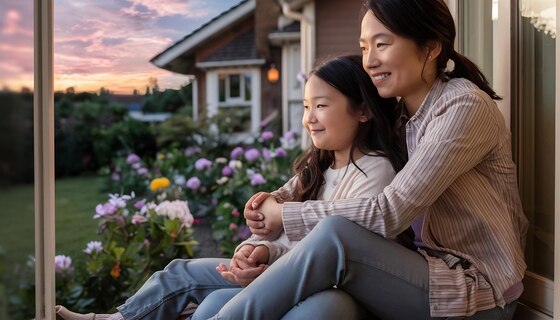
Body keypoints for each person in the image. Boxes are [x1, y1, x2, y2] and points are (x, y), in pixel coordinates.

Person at [212, 0, 528, 320]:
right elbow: (317, 170)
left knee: (336, 238)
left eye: (382, 44)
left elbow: (388, 213)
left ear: (431, 47)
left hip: (474, 289)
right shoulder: (396, 115)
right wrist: (271, 204)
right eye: (364, 48)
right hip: (414, 273)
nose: (370, 61)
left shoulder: (462, 107)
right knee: (206, 284)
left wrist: (284, 214)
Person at [55, 55, 406, 320]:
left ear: (362, 110)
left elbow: (336, 256)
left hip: (320, 285)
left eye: (321, 106)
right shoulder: (317, 167)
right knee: (183, 275)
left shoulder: (374, 172)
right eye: (306, 106)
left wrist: (271, 256)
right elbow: (273, 231)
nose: (309, 118)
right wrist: (250, 251)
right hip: (282, 272)